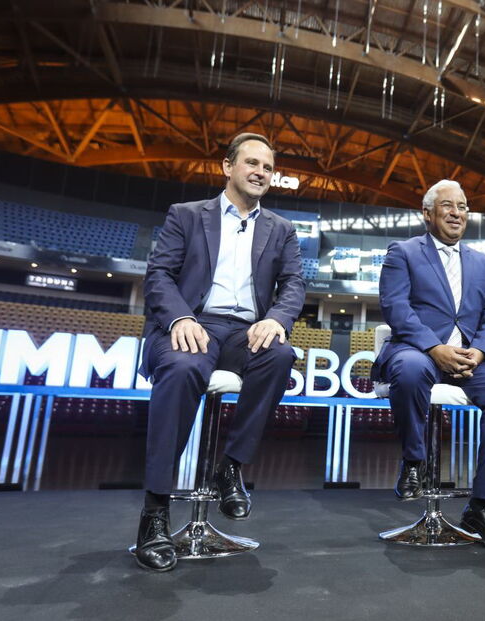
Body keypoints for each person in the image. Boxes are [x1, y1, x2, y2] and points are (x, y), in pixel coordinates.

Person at [134, 133, 305, 571]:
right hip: (191, 324)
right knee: (182, 366)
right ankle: (155, 512)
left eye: (267, 167)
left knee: (281, 356)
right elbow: (159, 276)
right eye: (251, 163)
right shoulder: (187, 215)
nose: (260, 173)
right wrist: (180, 319)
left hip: (245, 332)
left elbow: (294, 285)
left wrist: (276, 320)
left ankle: (230, 468)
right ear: (227, 167)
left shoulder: (282, 230)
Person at [372, 179, 485, 552]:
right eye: (447, 206)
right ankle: (414, 460)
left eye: (463, 206)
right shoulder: (403, 252)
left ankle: (482, 506)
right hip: (418, 351)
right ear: (427, 213)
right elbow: (396, 308)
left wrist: (483, 351)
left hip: (470, 359)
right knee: (408, 371)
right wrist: (434, 347)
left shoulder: (483, 262)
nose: (457, 213)